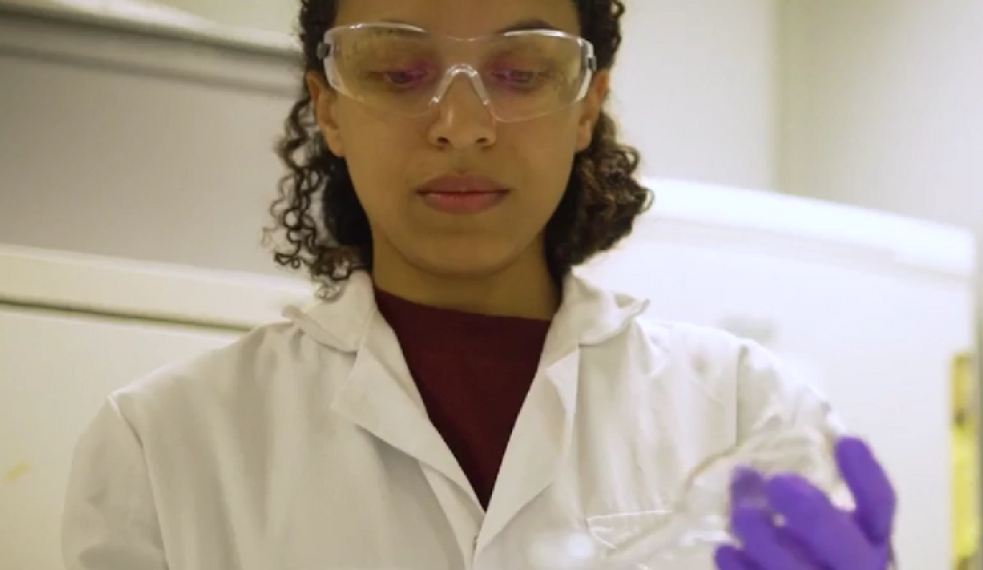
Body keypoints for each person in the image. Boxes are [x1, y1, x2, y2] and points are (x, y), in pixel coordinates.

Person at [61, 0, 897, 568]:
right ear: (331, 109)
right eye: (398, 71)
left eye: (521, 72)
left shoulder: (750, 412)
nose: (462, 127)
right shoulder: (163, 444)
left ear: (586, 107)